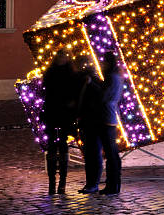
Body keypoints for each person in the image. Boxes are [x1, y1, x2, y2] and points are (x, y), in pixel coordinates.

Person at [78, 51, 123, 195]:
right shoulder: (115, 77)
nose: (102, 64)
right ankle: (112, 186)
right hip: (107, 118)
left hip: (106, 119)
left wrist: (92, 83)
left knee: (111, 155)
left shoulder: (112, 77)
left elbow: (103, 97)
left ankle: (113, 186)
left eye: (104, 62)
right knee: (110, 154)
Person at [42, 50, 75, 195]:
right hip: (51, 113)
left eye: (65, 56)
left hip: (64, 115)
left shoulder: (71, 74)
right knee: (51, 148)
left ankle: (62, 182)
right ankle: (51, 182)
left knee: (62, 147)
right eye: (60, 56)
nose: (62, 58)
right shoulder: (50, 73)